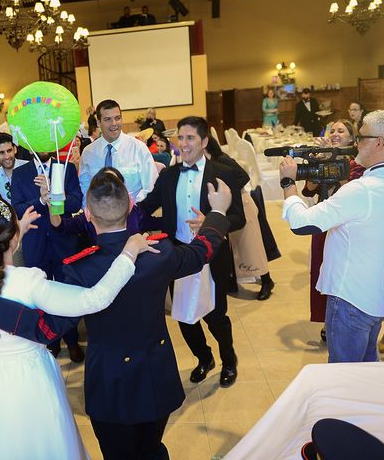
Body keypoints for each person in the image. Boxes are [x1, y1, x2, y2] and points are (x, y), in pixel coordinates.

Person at [0, 170, 233, 459]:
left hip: (111, 384)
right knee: (151, 449)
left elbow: (47, 329)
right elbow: (201, 252)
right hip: (156, 375)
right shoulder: (159, 251)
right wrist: (218, 212)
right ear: (131, 207)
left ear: (88, 214)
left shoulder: (80, 269)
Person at [0, 196, 155, 459]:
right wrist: (129, 252)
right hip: (27, 382)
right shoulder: (29, 282)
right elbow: (94, 299)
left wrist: (15, 229)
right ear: (12, 238)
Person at [280, 109, 384, 363]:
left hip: (352, 298)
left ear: (380, 143)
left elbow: (302, 224)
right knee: (367, 364)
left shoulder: (362, 189)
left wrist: (287, 184)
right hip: (383, 294)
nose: (357, 142)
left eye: (362, 136)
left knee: (343, 372)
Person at [138, 116, 246, 388]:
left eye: (190, 138)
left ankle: (229, 359)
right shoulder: (169, 175)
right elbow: (145, 208)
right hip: (178, 255)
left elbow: (238, 218)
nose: (183, 144)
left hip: (212, 255)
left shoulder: (222, 173)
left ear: (204, 141)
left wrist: (212, 220)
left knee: (216, 315)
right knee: (185, 316)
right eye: (181, 138)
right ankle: (204, 357)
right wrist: (115, 212)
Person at [11, 150, 85, 362]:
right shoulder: (20, 173)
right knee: (40, 294)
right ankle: (50, 341)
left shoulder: (66, 168)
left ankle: (72, 341)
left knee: (65, 292)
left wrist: (54, 194)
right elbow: (17, 209)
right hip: (35, 243)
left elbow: (76, 202)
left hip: (63, 241)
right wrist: (41, 201)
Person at [301, 119, 364, 338]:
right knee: (321, 270)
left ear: (351, 138)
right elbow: (309, 189)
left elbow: (350, 191)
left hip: (346, 224)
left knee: (341, 271)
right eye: (332, 130)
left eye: (341, 130)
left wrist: (335, 159)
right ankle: (327, 320)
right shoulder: (322, 156)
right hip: (323, 222)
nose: (335, 133)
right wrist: (319, 160)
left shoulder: (358, 164)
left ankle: (345, 319)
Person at [205, 134, 276, 300]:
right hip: (229, 207)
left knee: (251, 247)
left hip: (243, 203)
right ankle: (233, 280)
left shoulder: (222, 160)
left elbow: (244, 177)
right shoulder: (208, 164)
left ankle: (267, 280)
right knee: (233, 247)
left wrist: (230, 192)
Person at [50, 167, 161, 244]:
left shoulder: (135, 212)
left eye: (115, 183)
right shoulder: (91, 214)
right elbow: (62, 226)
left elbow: (158, 223)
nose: (110, 188)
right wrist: (53, 203)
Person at [79, 99, 158, 206]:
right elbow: (85, 188)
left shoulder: (138, 148)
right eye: (108, 119)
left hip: (133, 215)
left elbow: (151, 186)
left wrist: (133, 210)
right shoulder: (88, 152)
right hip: (97, 217)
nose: (114, 124)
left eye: (117, 118)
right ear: (98, 122)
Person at [0, 133, 28, 204]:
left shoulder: (29, 167)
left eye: (9, 151)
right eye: (2, 153)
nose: (7, 156)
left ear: (15, 149)